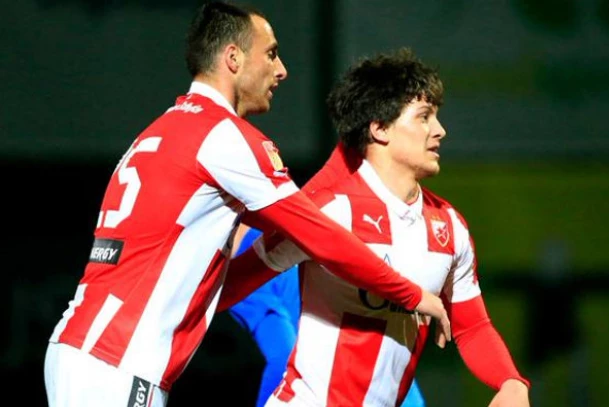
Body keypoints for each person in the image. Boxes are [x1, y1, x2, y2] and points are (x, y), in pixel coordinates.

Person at [42, 3, 451, 406]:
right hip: (118, 360)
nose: (281, 69)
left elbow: (234, 273)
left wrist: (283, 248)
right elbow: (320, 233)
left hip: (85, 349)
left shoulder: (163, 131)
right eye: (271, 53)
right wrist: (413, 295)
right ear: (233, 58)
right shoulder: (225, 137)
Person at [218, 48, 531, 407]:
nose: (440, 131)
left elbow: (472, 326)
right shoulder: (328, 211)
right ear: (379, 128)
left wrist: (510, 381)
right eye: (424, 117)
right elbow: (227, 288)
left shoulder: (449, 227)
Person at [229, 225, 427, 407]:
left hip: (343, 393)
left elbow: (281, 357)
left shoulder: (242, 280)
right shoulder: (294, 235)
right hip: (395, 385)